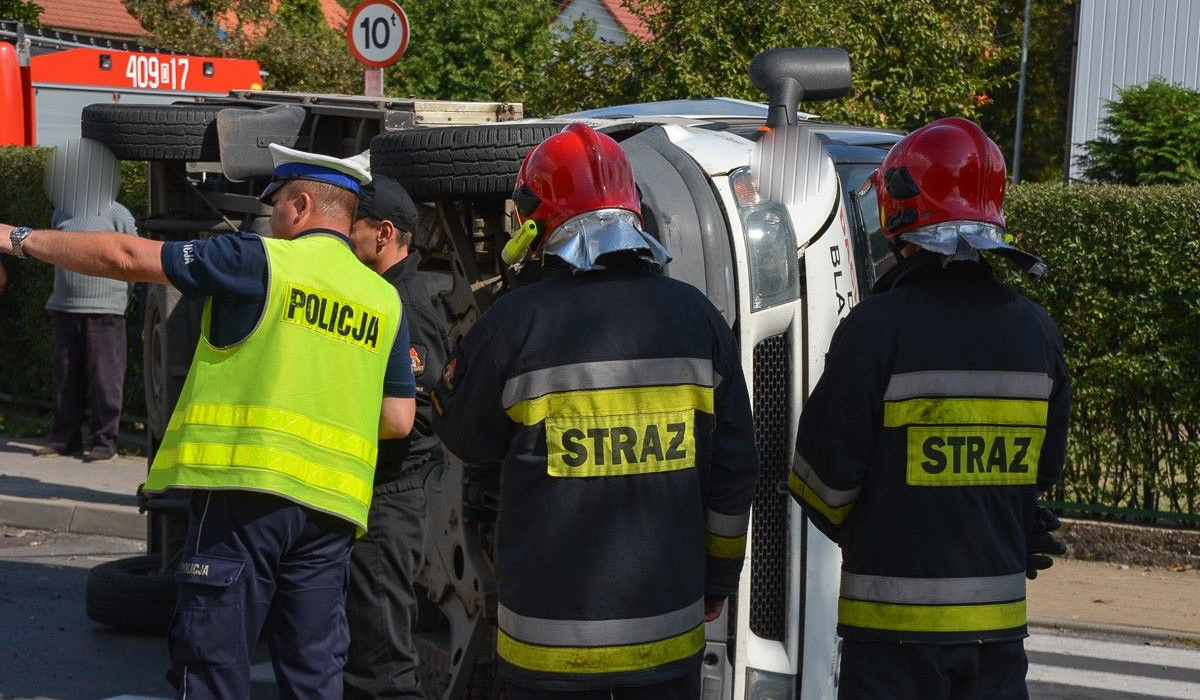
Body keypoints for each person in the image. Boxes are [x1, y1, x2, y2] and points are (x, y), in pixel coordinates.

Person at [0, 144, 416, 700]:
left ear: (301, 205)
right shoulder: (384, 300)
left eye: (276, 205)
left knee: (213, 664)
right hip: (333, 511)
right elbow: (397, 418)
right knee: (314, 672)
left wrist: (17, 238)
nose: (272, 217)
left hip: (243, 498)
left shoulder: (260, 260)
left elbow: (124, 256)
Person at [430, 123, 759, 699]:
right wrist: (717, 580)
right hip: (667, 638)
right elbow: (735, 473)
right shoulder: (698, 319)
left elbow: (466, 438)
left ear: (535, 222)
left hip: (548, 647)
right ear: (634, 210)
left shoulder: (515, 322)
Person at [788, 118, 1070, 700]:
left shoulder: (877, 328)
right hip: (995, 645)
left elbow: (819, 485)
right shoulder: (1037, 330)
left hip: (889, 645)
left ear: (899, 212)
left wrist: (892, 525)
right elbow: (1039, 476)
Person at [344, 175, 450, 700]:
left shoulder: (406, 305)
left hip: (390, 499)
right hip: (378, 493)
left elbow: (410, 417)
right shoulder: (383, 295)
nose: (342, 236)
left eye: (351, 227)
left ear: (384, 234)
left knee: (381, 668)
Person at [32, 199, 137, 461]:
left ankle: (105, 443)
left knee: (105, 379)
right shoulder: (62, 212)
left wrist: (118, 298)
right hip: (64, 306)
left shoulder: (118, 214)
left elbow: (134, 259)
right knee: (65, 378)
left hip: (105, 308)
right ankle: (64, 441)